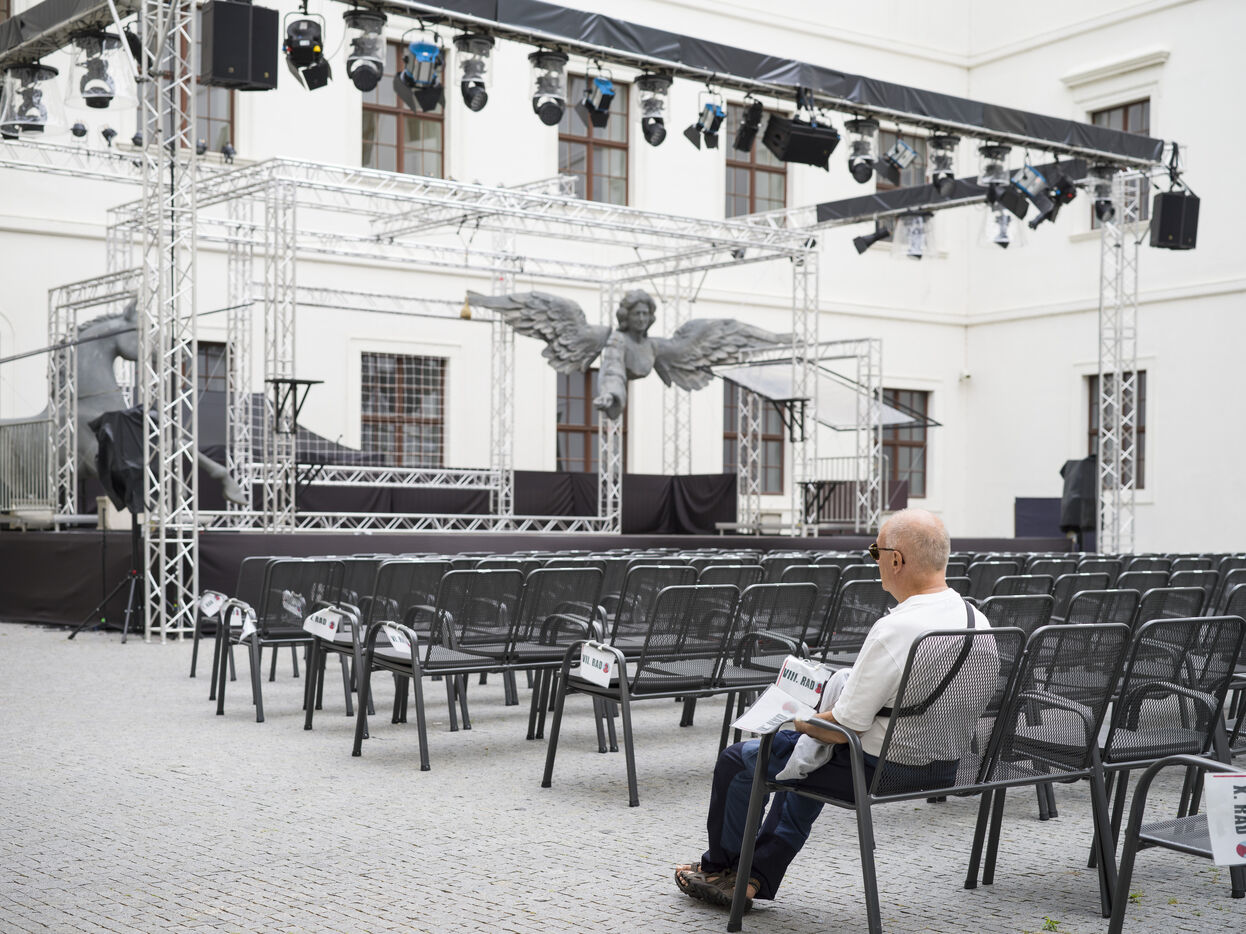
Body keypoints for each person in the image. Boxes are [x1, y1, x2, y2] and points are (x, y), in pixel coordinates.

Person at [674, 508, 989, 910]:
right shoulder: (977, 619)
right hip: (945, 767)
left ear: (896, 559)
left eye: (876, 551)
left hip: (880, 770)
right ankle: (753, 876)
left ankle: (719, 868)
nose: (875, 560)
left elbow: (843, 726)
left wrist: (792, 717)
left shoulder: (896, 629)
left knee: (741, 760)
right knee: (803, 762)